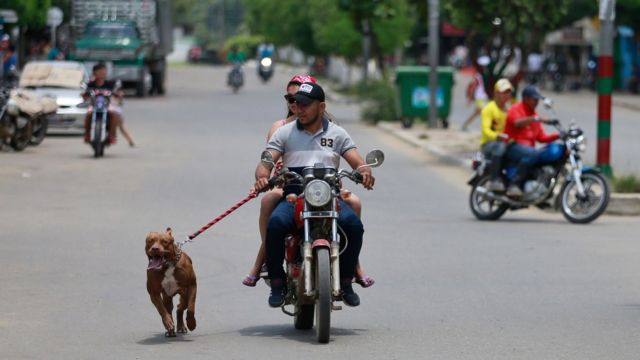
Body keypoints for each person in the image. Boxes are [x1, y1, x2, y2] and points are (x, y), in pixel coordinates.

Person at [243, 75, 375, 289]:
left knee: (354, 227)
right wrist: (262, 176)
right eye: (295, 103)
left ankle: (346, 279)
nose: (299, 108)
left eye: (305, 104)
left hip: (330, 198)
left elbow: (357, 161)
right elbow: (266, 161)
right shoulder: (284, 132)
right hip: (293, 198)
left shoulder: (337, 133)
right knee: (275, 225)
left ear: (321, 106)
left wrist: (364, 172)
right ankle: (277, 280)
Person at [504, 85, 559, 197]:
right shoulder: (516, 109)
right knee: (533, 153)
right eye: (534, 99)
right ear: (526, 98)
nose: (536, 102)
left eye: (537, 99)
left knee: (543, 155)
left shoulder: (534, 115)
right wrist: (534, 119)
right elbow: (517, 123)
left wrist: (558, 136)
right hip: (512, 146)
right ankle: (514, 184)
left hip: (528, 150)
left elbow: (541, 138)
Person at [83, 62, 136, 147]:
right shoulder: (90, 84)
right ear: (94, 73)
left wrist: (119, 94)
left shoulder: (110, 84)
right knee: (88, 114)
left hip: (107, 105)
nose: (102, 74)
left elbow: (117, 93)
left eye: (104, 72)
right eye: (100, 72)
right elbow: (85, 95)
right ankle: (87, 133)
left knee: (114, 114)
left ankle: (111, 135)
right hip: (94, 105)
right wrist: (84, 96)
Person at [479, 79, 513, 192]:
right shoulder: (489, 109)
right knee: (500, 146)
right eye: (504, 92)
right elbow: (486, 131)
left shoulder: (510, 110)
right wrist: (498, 136)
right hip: (489, 144)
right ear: (496, 93)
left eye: (508, 92)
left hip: (506, 142)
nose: (506, 95)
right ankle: (493, 180)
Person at [461, 56, 490, 131]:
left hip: (482, 96)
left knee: (478, 113)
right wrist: (470, 98)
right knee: (484, 112)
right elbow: (474, 87)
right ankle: (465, 125)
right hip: (480, 97)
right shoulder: (478, 76)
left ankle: (465, 125)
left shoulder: (482, 75)